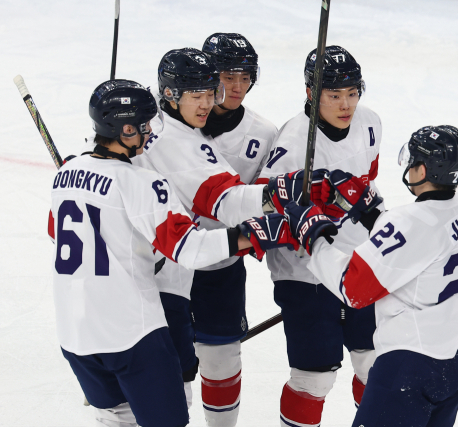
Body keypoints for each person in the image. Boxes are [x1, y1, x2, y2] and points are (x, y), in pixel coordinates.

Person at [48, 79, 287, 427]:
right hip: (132, 335)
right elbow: (190, 250)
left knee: (116, 419)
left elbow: (58, 232)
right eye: (144, 126)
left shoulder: (64, 175)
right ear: (125, 128)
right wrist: (254, 234)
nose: (149, 134)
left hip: (76, 336)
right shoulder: (142, 183)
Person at [134, 47, 302, 427]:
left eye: (213, 93)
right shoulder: (178, 138)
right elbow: (226, 200)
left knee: (199, 366)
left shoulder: (149, 121)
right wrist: (288, 200)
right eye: (199, 95)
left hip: (206, 260)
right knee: (163, 380)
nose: (209, 103)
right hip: (160, 270)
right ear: (171, 94)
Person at [286, 125, 458, 427]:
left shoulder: (407, 221)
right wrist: (370, 214)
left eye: (413, 159)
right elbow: (418, 243)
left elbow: (353, 288)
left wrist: (314, 239)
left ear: (423, 170)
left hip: (414, 364)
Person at [256, 46, 383, 427]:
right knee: (315, 377)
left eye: (352, 93)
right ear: (311, 93)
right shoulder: (293, 143)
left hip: (358, 262)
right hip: (304, 272)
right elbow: (263, 209)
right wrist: (304, 205)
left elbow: (368, 187)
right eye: (333, 95)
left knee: (375, 363)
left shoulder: (371, 123)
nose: (346, 104)